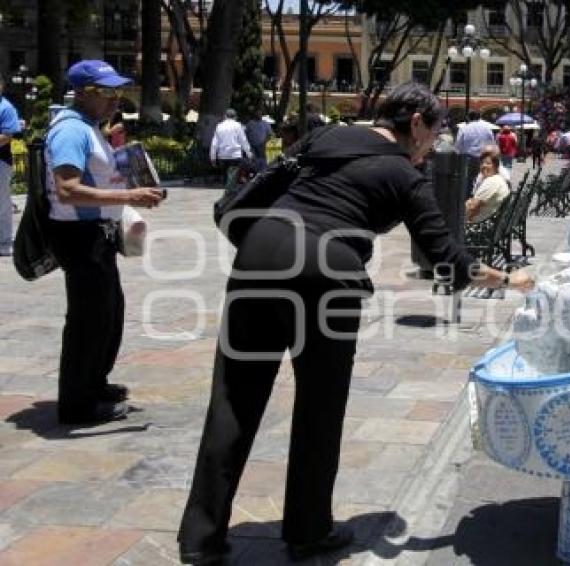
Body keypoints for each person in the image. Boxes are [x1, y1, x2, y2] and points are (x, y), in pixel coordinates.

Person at [177, 82, 534, 564]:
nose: (435, 142)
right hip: (325, 270)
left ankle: (200, 539)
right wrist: (510, 280)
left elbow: (275, 179)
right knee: (318, 407)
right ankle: (307, 531)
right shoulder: (404, 174)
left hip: (260, 252)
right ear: (415, 124)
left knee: (232, 398)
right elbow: (444, 259)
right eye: (435, 131)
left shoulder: (326, 138)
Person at [44, 60, 164, 424]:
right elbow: (67, 190)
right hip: (79, 237)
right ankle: (77, 404)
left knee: (108, 314)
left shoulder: (90, 127)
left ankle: (94, 382)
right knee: (87, 320)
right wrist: (129, 197)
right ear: (81, 93)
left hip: (96, 236)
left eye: (118, 91)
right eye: (106, 92)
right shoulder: (70, 131)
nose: (116, 99)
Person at [0, 73, 22, 257]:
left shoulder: (6, 108)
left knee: (2, 203)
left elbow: (7, 136)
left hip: (0, 162)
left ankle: (5, 242)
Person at [209, 108, 252, 193]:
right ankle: (229, 193)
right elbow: (243, 141)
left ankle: (228, 192)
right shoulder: (238, 125)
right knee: (232, 177)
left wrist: (213, 158)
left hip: (222, 156)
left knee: (227, 177)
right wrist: (249, 154)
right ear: (235, 117)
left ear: (225, 116)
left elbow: (214, 143)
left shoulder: (219, 126)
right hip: (235, 155)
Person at [454, 110, 495, 197]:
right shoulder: (487, 128)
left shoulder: (464, 128)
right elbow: (492, 143)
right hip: (483, 158)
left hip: (467, 158)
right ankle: (480, 196)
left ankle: (467, 198)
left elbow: (458, 145)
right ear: (479, 118)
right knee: (482, 178)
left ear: (468, 117)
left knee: (467, 180)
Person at [466, 148, 510, 223]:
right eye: (482, 163)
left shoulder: (492, 181)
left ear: (496, 166)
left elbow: (473, 207)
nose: (484, 166)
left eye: (488, 163)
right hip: (490, 222)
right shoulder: (497, 179)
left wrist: (464, 220)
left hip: (480, 224)